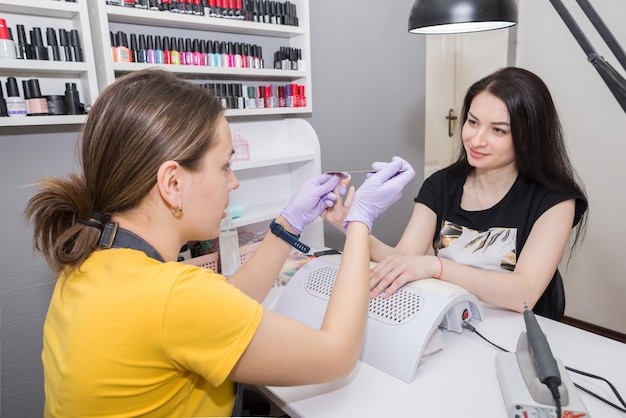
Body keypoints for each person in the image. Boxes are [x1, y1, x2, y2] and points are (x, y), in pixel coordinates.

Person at [25, 69, 415, 417]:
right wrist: (360, 220)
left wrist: (289, 222)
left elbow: (224, 302)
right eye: (225, 165)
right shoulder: (172, 298)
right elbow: (336, 356)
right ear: (173, 184)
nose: (233, 182)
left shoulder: (90, 263)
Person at [325, 67, 587, 321]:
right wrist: (353, 222)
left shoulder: (555, 200)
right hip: (454, 320)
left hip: (520, 333)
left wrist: (437, 266)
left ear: (528, 137)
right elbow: (404, 258)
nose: (476, 139)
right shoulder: (441, 184)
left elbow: (525, 294)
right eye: (473, 122)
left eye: (498, 130)